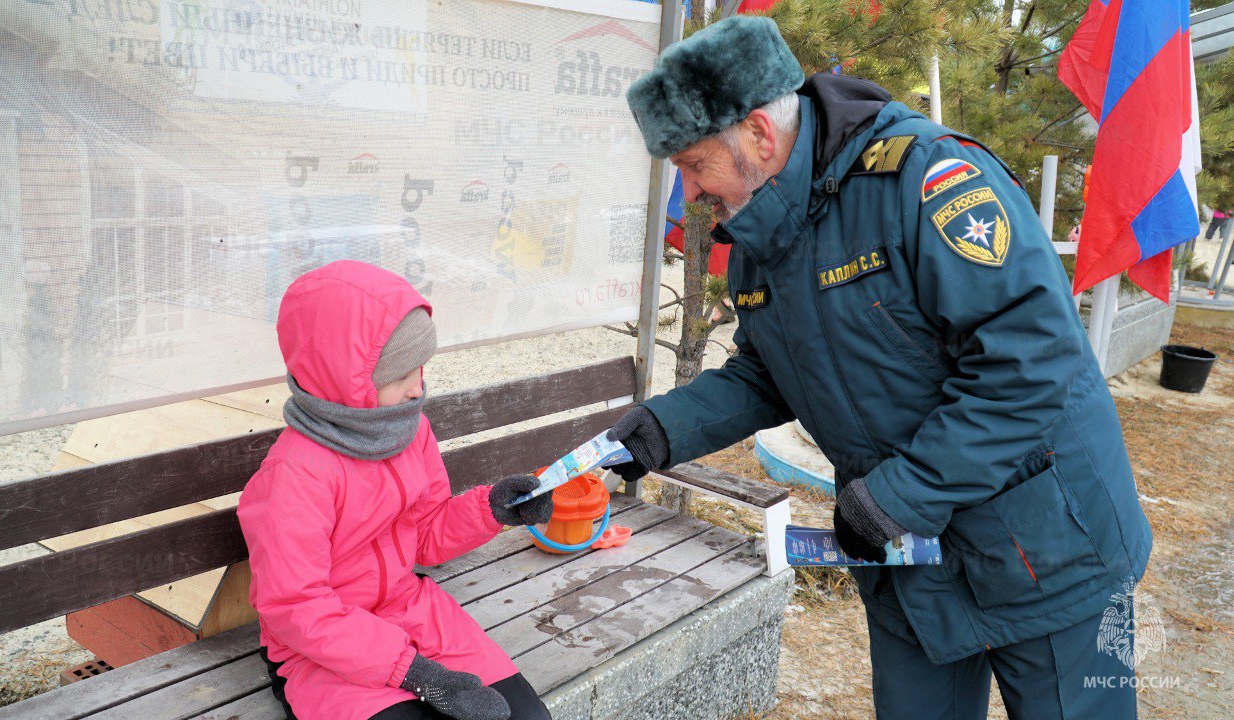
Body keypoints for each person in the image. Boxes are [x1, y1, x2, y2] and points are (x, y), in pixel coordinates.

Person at [608, 16, 1151, 720]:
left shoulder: (928, 181)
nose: (690, 193)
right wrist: (659, 429)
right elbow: (767, 370)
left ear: (759, 137)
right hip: (909, 563)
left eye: (693, 164)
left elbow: (1031, 362)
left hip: (1044, 549)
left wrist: (901, 496)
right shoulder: (761, 224)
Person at [237, 260, 553, 720]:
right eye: (400, 373)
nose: (416, 387)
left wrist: (492, 509)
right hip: (321, 649)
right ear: (344, 375)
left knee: (523, 718)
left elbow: (423, 533)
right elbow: (296, 606)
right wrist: (417, 674)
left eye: (420, 367)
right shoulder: (295, 475)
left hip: (413, 610)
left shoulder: (409, 431)